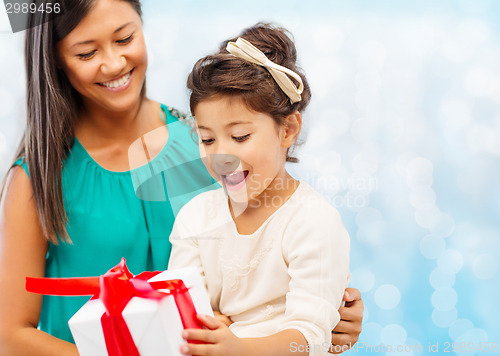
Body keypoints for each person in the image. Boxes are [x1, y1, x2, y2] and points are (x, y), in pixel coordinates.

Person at [0, 0, 363, 355]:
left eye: (125, 38)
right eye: (86, 53)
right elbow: (10, 336)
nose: (113, 63)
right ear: (56, 61)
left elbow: (273, 271)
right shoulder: (37, 178)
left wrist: (332, 311)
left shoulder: (206, 145)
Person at [168, 23, 351, 356]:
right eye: (207, 139)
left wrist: (238, 348)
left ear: (288, 130)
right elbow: (180, 313)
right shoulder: (195, 218)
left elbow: (310, 336)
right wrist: (204, 323)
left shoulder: (312, 221)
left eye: (239, 137)